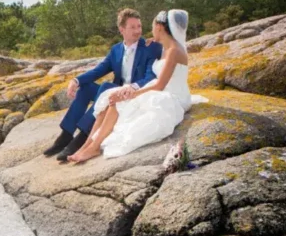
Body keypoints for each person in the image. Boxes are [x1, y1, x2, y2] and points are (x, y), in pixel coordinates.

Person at [68, 9, 195, 163]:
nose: (143, 31)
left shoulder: (174, 51)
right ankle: (86, 146)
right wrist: (154, 39)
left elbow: (160, 85)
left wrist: (134, 93)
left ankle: (95, 146)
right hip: (159, 88)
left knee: (118, 101)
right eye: (135, 27)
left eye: (151, 26)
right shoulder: (166, 46)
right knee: (109, 100)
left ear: (160, 28)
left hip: (172, 94)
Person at [43, 8, 163, 162]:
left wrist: (133, 87)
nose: (138, 31)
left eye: (139, 26)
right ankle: (65, 136)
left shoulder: (150, 47)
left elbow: (150, 76)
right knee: (86, 88)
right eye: (132, 27)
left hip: (132, 93)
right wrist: (76, 80)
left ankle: (82, 138)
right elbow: (98, 70)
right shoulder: (116, 50)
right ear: (122, 29)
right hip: (115, 91)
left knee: (106, 87)